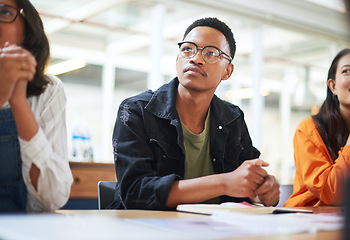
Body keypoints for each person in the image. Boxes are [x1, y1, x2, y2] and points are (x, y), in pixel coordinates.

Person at [111, 17, 280, 210]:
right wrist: (224, 183)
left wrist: (263, 193)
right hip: (151, 229)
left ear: (227, 71)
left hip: (218, 231)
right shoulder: (136, 111)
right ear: (177, 60)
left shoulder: (233, 118)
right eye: (187, 49)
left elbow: (249, 183)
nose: (195, 58)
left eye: (211, 53)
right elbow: (135, 193)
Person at [0, 0, 73, 212]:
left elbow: (54, 198)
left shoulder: (48, 90)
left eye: (4, 12)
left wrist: (18, 101)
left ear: (27, 28)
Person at [284, 48, 350, 207]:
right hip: (307, 222)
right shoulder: (308, 130)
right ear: (333, 86)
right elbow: (332, 192)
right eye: (347, 71)